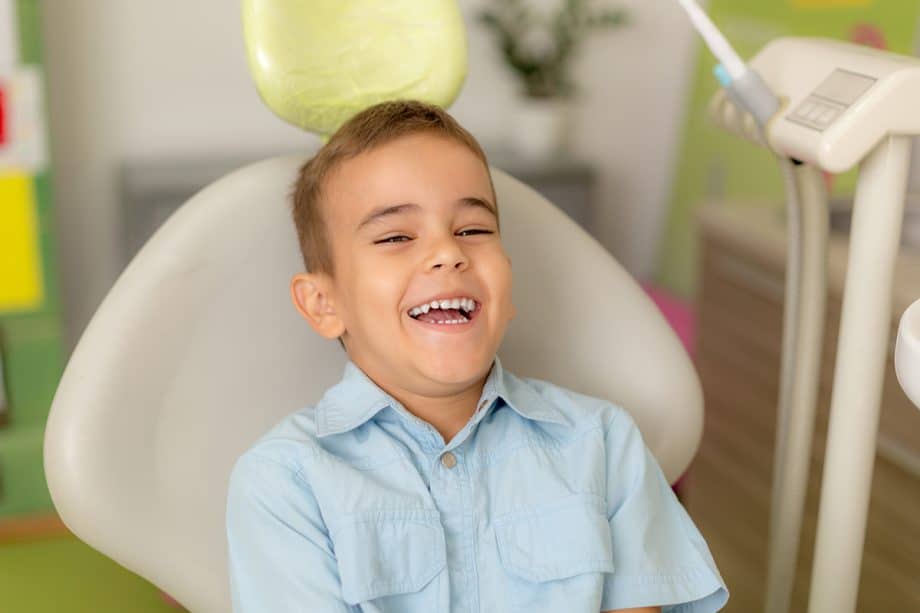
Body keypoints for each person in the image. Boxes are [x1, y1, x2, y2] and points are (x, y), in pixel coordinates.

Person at [225, 99, 728, 613]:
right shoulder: (285, 481)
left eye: (473, 230)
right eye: (396, 236)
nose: (449, 252)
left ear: (506, 279)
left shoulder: (602, 444)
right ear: (324, 304)